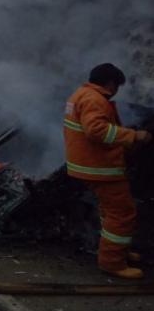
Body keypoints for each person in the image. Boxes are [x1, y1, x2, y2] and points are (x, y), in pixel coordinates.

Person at [64, 63, 152, 279]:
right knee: (122, 213)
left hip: (89, 165)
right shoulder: (95, 99)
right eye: (117, 86)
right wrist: (133, 136)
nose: (117, 91)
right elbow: (97, 131)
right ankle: (112, 263)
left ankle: (117, 251)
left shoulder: (81, 94)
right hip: (100, 167)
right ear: (110, 83)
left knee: (110, 212)